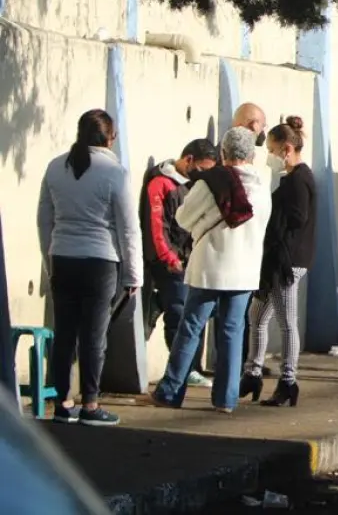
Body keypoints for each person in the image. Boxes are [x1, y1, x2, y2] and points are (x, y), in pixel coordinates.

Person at [152, 127, 271, 413]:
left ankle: (170, 392)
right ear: (252, 155)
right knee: (232, 331)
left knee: (191, 327)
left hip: (210, 265)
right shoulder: (262, 186)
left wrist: (203, 220)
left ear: (223, 153)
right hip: (244, 270)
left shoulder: (210, 182)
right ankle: (226, 399)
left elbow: (182, 218)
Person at [36, 109, 142, 426]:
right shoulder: (115, 173)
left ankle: (62, 403)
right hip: (100, 262)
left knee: (64, 333)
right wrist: (133, 273)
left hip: (63, 258)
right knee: (94, 337)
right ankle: (91, 405)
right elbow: (127, 228)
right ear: (110, 137)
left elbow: (44, 219)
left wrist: (50, 258)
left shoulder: (56, 167)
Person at [241, 117, 316, 407]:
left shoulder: (298, 180)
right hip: (278, 260)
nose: (270, 156)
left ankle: (288, 380)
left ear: (286, 149)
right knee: (258, 317)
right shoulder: (292, 178)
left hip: (288, 261)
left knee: (286, 322)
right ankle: (253, 372)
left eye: (272, 150)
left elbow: (296, 219)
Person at [140, 138, 219, 389]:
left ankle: (188, 368)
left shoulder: (190, 185)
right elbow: (156, 226)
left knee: (188, 313)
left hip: (187, 259)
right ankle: (186, 370)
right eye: (203, 169)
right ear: (189, 160)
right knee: (179, 315)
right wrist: (169, 258)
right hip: (169, 262)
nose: (203, 175)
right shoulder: (161, 183)